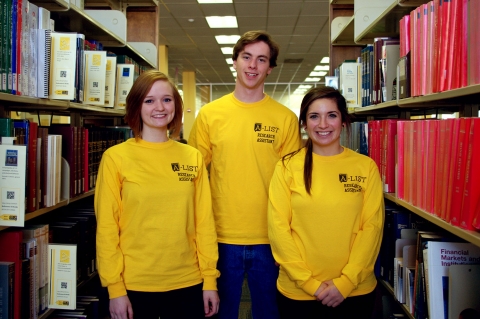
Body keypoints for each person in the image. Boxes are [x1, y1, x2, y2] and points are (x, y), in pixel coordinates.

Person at [188, 30, 302, 319]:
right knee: (220, 313)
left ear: (270, 68)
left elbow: (294, 185)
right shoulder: (210, 115)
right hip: (221, 236)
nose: (253, 65)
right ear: (235, 62)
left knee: (270, 313)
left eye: (261, 59)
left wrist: (289, 239)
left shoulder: (285, 119)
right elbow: (192, 178)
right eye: (247, 57)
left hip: (271, 239)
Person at [95, 70, 220, 319]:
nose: (159, 107)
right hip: (134, 285)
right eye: (149, 100)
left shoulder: (192, 156)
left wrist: (209, 280)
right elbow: (107, 228)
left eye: (167, 99)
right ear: (136, 106)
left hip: (188, 281)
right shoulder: (115, 158)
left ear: (176, 104)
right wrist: (115, 288)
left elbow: (204, 223)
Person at [267, 86, 384, 319]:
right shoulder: (287, 167)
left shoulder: (365, 167)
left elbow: (372, 228)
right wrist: (311, 284)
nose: (323, 124)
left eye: (331, 115)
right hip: (298, 293)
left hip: (354, 291)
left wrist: (346, 283)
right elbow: (278, 229)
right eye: (314, 116)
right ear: (304, 123)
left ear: (343, 121)